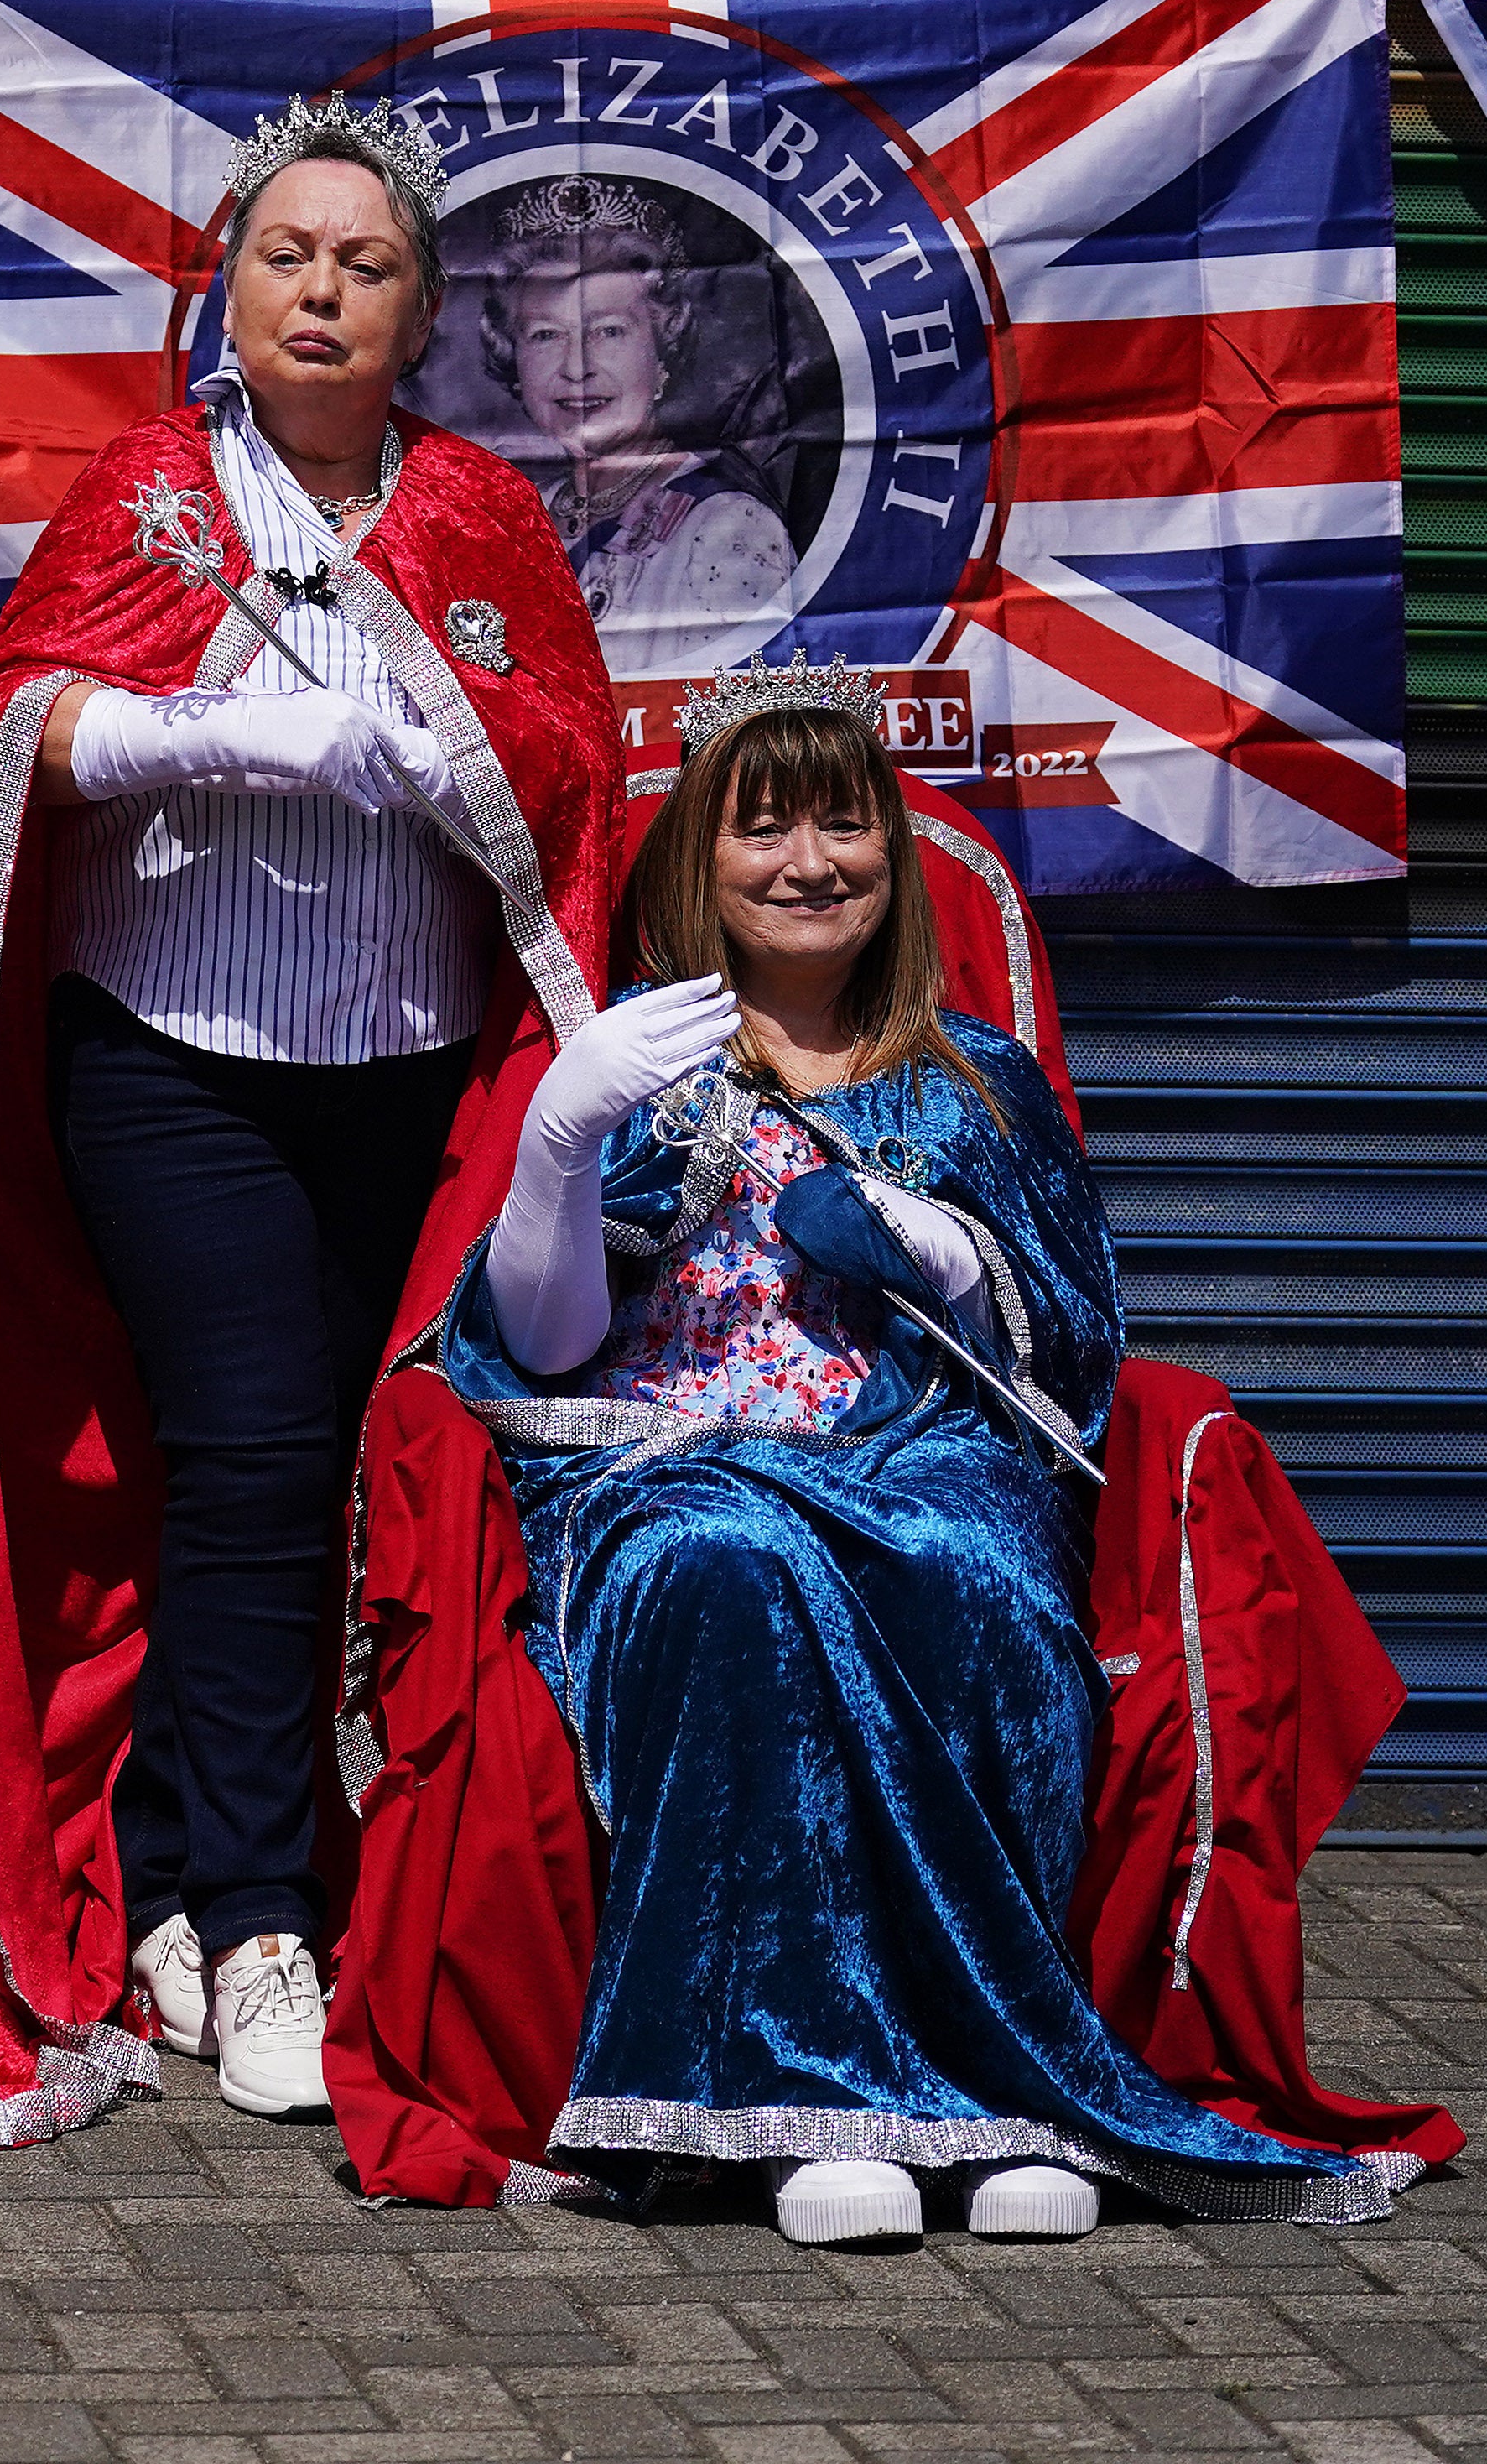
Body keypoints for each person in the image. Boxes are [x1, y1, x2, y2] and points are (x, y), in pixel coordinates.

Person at [0, 91, 622, 2148]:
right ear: (225, 279)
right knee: (259, 1452)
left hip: (400, 1072)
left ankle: (188, 1857)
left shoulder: (480, 521)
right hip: (166, 1058)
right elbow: (8, 721)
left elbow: (565, 755)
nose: (322, 289)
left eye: (366, 265)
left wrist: (438, 759)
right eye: (289, 253)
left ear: (424, 311)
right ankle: (273, 1917)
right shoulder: (146, 495)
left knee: (299, 1477)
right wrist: (211, 725)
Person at [406, 664, 1405, 2242]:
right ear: (697, 866)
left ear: (895, 853)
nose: (809, 861)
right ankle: (790, 2107)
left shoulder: (981, 1082)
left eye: (844, 823)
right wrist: (559, 1142)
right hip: (674, 1460)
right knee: (732, 1566)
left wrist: (929, 1247)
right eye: (762, 829)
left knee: (982, 1582)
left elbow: (1075, 1343)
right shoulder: (630, 1063)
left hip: (930, 1456)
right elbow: (532, 1348)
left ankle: (1001, 2100)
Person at [471, 174, 795, 675]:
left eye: (609, 331)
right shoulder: (513, 522)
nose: (577, 367)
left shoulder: (728, 525)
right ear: (513, 358)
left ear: (662, 348)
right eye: (545, 335)